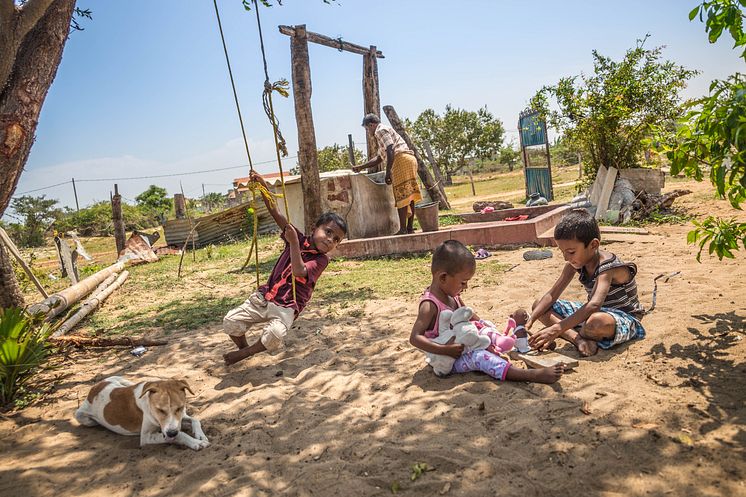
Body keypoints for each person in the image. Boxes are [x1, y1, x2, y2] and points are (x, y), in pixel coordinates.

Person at [222, 171, 348, 366]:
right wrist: (264, 186)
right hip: (266, 297)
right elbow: (275, 212)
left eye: (336, 239)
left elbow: (299, 272)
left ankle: (246, 353)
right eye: (328, 232)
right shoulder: (295, 236)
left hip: (287, 306)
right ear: (314, 228)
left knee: (275, 334)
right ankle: (243, 348)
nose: (330, 239)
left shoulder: (321, 260)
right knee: (230, 321)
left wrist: (293, 243)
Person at [409, 240, 564, 384]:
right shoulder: (429, 305)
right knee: (482, 358)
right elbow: (415, 338)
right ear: (443, 277)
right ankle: (530, 375)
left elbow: (472, 318)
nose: (466, 287)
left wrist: (486, 331)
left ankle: (525, 345)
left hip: (465, 344)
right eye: (463, 282)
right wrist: (445, 350)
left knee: (491, 336)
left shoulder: (453, 296)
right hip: (446, 360)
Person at [527, 209, 646, 357]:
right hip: (593, 313)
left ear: (593, 245)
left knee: (595, 323)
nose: (566, 258)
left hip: (623, 316)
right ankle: (578, 339)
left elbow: (594, 305)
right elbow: (553, 294)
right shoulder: (576, 263)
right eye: (562, 252)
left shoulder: (607, 267)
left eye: (571, 252)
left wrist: (556, 328)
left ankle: (572, 333)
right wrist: (531, 319)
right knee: (539, 305)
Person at [352, 113, 422, 235]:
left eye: (368, 129)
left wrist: (388, 171)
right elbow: (379, 158)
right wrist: (361, 167)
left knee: (401, 194)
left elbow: (391, 149)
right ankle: (409, 228)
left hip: (400, 160)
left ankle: (403, 229)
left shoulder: (380, 130)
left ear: (372, 124)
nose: (368, 132)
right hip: (409, 159)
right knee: (409, 194)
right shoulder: (384, 132)